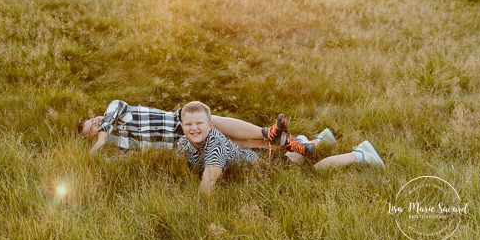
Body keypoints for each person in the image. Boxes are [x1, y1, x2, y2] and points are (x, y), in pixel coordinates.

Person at [176, 101, 385, 194]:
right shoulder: (183, 144)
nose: (194, 128)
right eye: (188, 124)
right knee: (291, 159)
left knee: (316, 172)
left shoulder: (215, 146)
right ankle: (320, 140)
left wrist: (196, 217)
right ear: (181, 126)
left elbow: (206, 188)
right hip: (255, 158)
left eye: (199, 123)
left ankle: (360, 154)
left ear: (210, 124)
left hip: (264, 169)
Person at [78, 99, 312, 157]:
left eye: (93, 120)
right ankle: (286, 144)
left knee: (214, 122)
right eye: (92, 129)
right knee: (230, 143)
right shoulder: (116, 142)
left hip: (179, 121)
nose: (96, 124)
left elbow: (112, 111)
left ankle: (266, 133)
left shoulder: (115, 109)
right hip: (178, 144)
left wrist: (99, 140)